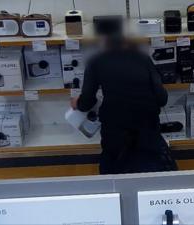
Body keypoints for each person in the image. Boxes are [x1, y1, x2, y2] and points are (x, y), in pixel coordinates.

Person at [71, 35, 177, 174]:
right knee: (155, 171)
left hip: (115, 129)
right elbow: (162, 99)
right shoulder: (143, 58)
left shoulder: (96, 61)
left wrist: (77, 102)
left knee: (114, 173)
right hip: (147, 126)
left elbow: (87, 103)